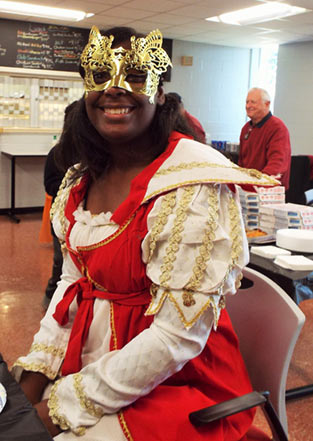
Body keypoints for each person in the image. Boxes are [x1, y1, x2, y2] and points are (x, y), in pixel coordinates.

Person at [12, 26, 277, 441]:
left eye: (135, 75)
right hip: (97, 359)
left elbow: (176, 339)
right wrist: (34, 379)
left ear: (159, 92)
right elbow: (71, 286)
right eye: (101, 74)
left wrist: (61, 407)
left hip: (178, 379)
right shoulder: (82, 178)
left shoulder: (191, 181)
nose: (115, 89)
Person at [42, 101, 79, 310]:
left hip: (86, 214)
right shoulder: (57, 153)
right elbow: (50, 185)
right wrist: (74, 187)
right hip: (62, 215)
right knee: (60, 259)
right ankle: (51, 296)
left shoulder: (96, 151)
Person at [238, 87, 291, 189]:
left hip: (268, 191)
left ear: (267, 104)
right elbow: (241, 163)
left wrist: (257, 185)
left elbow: (277, 165)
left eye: (253, 102)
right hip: (247, 189)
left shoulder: (277, 128)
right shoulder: (246, 129)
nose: (248, 106)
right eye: (247, 102)